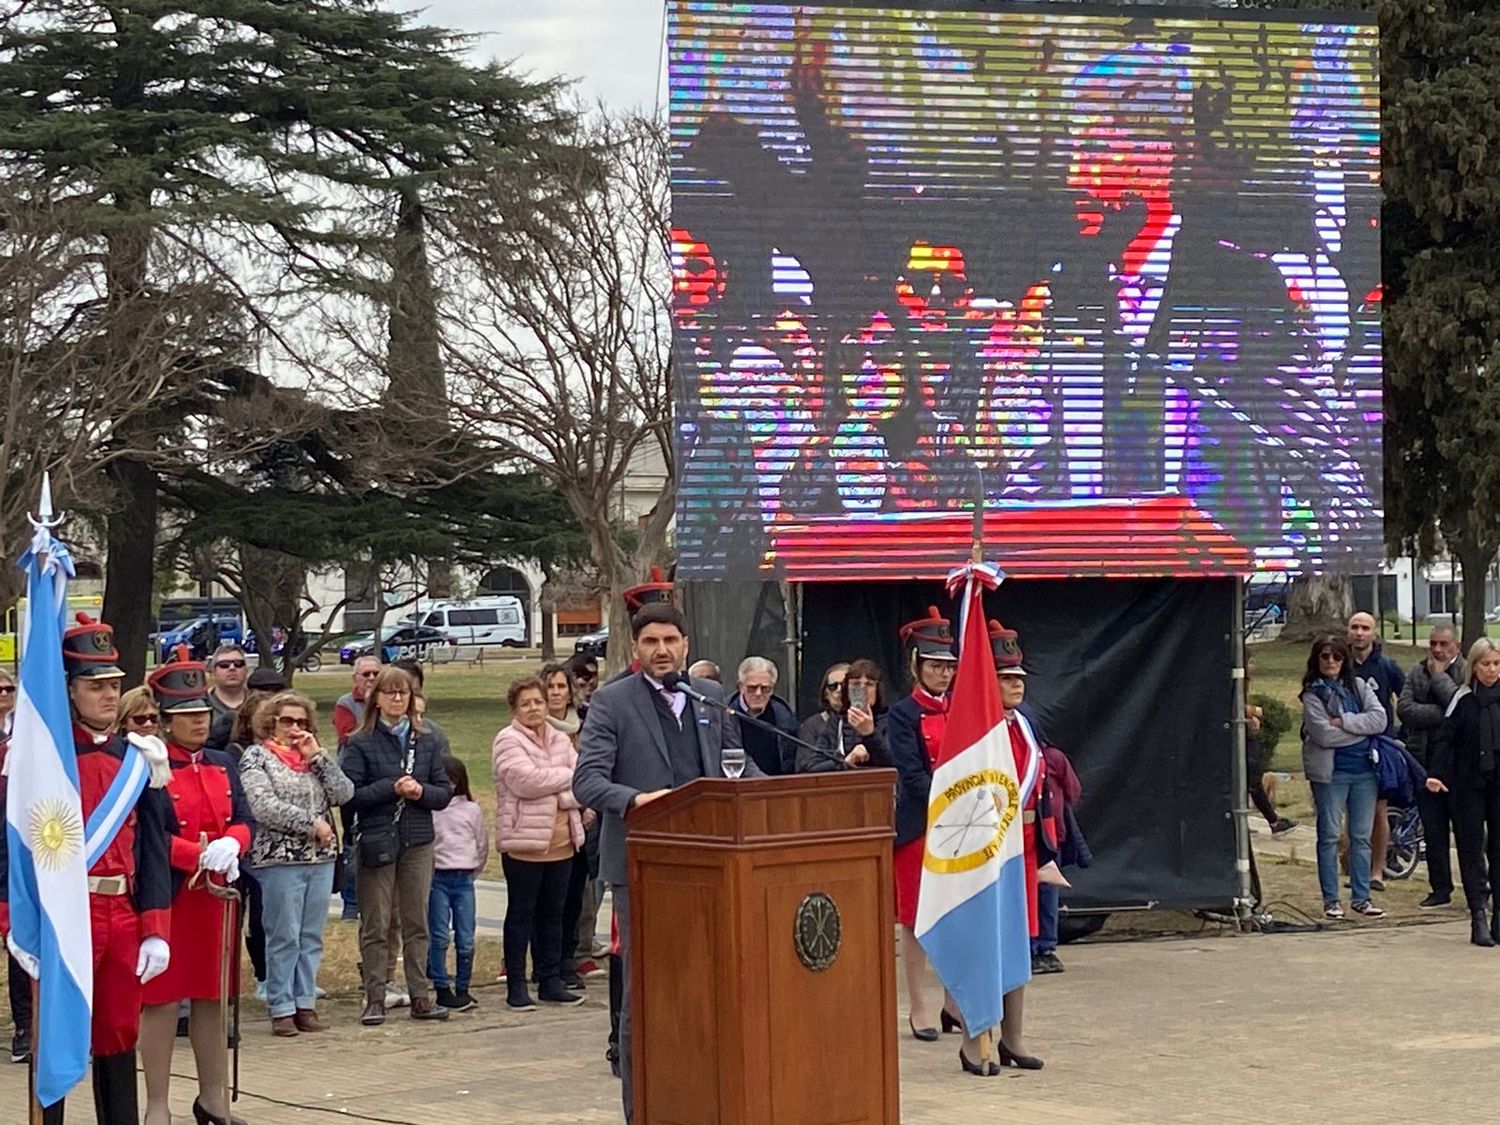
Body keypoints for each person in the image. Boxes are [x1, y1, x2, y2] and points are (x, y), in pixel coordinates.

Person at [573, 602, 750, 1123]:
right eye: (651, 642)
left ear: (686, 645)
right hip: (642, 869)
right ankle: (642, 1108)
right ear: (635, 648)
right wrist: (635, 800)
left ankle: (704, 1096)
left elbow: (735, 767)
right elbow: (587, 781)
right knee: (647, 993)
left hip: (713, 864)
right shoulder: (611, 703)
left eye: (670, 640)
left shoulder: (709, 695)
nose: (662, 650)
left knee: (709, 986)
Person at [0, 617, 174, 1125]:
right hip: (63, 916)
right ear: (68, 690)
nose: (107, 695)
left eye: (113, 685)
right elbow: (10, 846)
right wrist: (14, 922)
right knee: (56, 1038)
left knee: (118, 1035)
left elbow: (154, 851)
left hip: (120, 912)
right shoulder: (42, 762)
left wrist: (155, 929)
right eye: (95, 686)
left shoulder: (138, 761)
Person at [138, 656, 255, 1125]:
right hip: (173, 896)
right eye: (187, 716)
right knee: (162, 1002)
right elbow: (147, 836)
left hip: (216, 899)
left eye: (202, 713)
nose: (198, 723)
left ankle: (213, 1100)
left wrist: (234, 842)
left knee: (214, 997)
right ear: (166, 721)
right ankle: (158, 1105)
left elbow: (245, 818)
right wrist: (194, 854)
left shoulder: (226, 762)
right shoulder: (149, 768)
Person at [238, 692, 353, 1037]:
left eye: (302, 722)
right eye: (287, 721)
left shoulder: (313, 758)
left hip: (320, 860)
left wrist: (318, 757)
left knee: (310, 935)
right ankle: (282, 1006)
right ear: (270, 722)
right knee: (283, 934)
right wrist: (310, 823)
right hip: (279, 860)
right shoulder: (257, 758)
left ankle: (306, 1003)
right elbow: (262, 805)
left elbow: (344, 793)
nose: (295, 728)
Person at [342, 666, 452, 1025]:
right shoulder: (360, 741)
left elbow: (443, 793)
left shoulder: (428, 739)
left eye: (403, 693)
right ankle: (375, 994)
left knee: (416, 919)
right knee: (375, 921)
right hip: (378, 839)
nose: (397, 699)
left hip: (417, 838)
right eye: (389, 692)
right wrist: (390, 786)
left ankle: (421, 993)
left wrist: (419, 791)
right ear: (376, 697)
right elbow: (350, 796)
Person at [494, 676, 589, 1011]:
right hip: (524, 844)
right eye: (526, 704)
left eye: (538, 702)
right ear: (514, 709)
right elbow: (525, 782)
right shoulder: (507, 740)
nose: (533, 708)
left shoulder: (561, 739)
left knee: (555, 913)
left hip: (563, 842)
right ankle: (517, 985)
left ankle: (550, 979)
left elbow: (584, 781)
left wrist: (562, 786)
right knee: (521, 914)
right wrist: (565, 784)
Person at [886, 608, 957, 1042]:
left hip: (961, 828)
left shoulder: (965, 709)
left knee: (956, 915)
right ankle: (918, 1005)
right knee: (915, 922)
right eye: (934, 666)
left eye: (948, 667)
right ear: (917, 665)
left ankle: (953, 1002)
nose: (942, 675)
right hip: (920, 826)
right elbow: (911, 775)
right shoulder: (902, 713)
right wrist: (952, 798)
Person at [1300, 635, 1388, 922]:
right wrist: (1360, 731)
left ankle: (1361, 898)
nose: (1331, 662)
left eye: (1337, 657)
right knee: (1329, 836)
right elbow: (1322, 734)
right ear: (1317, 660)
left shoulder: (1358, 687)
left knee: (1361, 837)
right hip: (1331, 774)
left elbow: (1380, 719)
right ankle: (1331, 900)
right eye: (1325, 656)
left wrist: (1346, 722)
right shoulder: (1312, 693)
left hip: (1364, 772)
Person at [1427, 637, 1500, 946]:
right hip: (1467, 785)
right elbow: (1445, 740)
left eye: (1497, 664)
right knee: (1471, 852)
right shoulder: (1463, 699)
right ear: (1473, 666)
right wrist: (1436, 774)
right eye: (1485, 664)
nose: (1492, 670)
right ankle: (1478, 916)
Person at [540, 661, 600, 985]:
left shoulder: (584, 723)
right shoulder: (535, 727)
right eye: (550, 687)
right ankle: (544, 963)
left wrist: (586, 800)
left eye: (561, 687)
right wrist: (574, 791)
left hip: (584, 821)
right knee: (547, 899)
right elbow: (543, 780)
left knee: (577, 893)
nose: (556, 693)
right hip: (548, 824)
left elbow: (591, 773)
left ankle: (570, 958)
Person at [1398, 624, 1465, 909]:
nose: (1437, 650)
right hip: (1423, 761)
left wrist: (1439, 678)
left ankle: (1479, 884)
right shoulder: (1416, 672)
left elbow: (1459, 705)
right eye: (1433, 644)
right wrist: (1441, 715)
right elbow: (1404, 709)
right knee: (1433, 830)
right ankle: (1440, 888)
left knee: (1466, 831)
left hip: (1458, 766)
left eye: (1443, 644)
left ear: (1456, 646)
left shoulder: (1464, 670)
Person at [1347, 611, 1405, 892]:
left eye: (1365, 628)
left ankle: (1377, 871)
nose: (1359, 633)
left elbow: (1404, 702)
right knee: (1351, 811)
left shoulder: (1387, 667)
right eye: (1355, 627)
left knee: (1378, 810)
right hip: (1346, 746)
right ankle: (1353, 869)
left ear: (1374, 633)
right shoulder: (1339, 663)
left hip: (1379, 746)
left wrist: (1400, 738)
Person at [429, 756, 487, 1012]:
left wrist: (474, 870)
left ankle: (463, 987)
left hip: (463, 879)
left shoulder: (471, 809)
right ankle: (442, 987)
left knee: (465, 937)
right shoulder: (431, 809)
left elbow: (482, 843)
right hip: (437, 878)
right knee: (439, 935)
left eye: (452, 781)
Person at [333, 655, 380, 922]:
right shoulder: (345, 704)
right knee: (352, 844)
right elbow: (348, 736)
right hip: (351, 784)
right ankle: (350, 904)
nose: (371, 679)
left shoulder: (388, 701)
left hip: (381, 782)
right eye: (366, 674)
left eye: (375, 674)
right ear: (355, 678)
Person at [0, 667, 28, 1066]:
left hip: (15, 849)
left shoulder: (25, 735)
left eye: (10, 687)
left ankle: (27, 1026)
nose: (4, 693)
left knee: (21, 943)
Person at [801, 658, 888, 772]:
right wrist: (846, 761)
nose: (862, 689)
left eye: (869, 684)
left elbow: (896, 762)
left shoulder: (891, 719)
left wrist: (870, 735)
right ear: (847, 689)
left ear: (878, 689)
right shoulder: (836, 722)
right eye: (856, 684)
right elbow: (813, 767)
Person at [728, 656, 799, 774]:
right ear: (741, 687)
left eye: (765, 688)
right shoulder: (726, 714)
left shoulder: (783, 714)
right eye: (752, 688)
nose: (758, 693)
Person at [204, 642, 250, 747]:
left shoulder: (260, 704)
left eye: (238, 664)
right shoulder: (202, 705)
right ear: (213, 672)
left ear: (246, 670)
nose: (232, 668)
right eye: (224, 665)